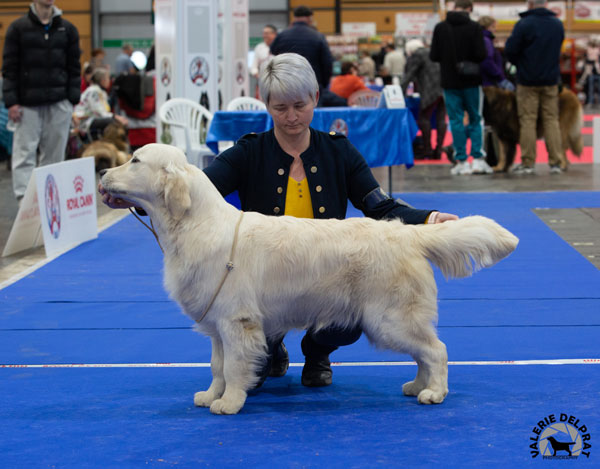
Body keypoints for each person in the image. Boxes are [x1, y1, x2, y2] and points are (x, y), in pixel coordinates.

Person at [99, 53, 459, 389]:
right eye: (280, 107)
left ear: (316, 97)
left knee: (351, 317)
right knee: (254, 375)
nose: (291, 116)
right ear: (266, 104)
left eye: (300, 105)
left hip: (323, 273)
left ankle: (317, 352)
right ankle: (273, 347)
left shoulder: (338, 150)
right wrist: (137, 199)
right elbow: (189, 193)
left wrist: (428, 218)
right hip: (264, 284)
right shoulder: (249, 151)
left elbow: (378, 206)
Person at [2, 0, 81, 201]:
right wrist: (11, 102)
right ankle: (25, 203)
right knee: (24, 155)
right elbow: (9, 68)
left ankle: (51, 202)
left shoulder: (68, 29)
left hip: (59, 103)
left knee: (54, 157)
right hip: (26, 105)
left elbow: (74, 67)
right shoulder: (18, 28)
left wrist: (72, 100)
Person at [430, 0, 490, 175]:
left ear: (454, 7)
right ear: (470, 9)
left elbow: (434, 55)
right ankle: (478, 159)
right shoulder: (475, 27)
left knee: (455, 121)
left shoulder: (440, 28)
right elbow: (481, 54)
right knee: (476, 119)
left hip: (449, 81)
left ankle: (461, 161)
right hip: (471, 81)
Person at [504, 0, 564, 174]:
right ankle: (556, 162)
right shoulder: (557, 24)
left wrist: (521, 65)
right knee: (551, 120)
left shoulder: (524, 24)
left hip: (527, 81)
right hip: (551, 80)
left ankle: (528, 163)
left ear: (530, 4)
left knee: (528, 121)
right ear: (545, 3)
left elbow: (511, 50)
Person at [269, 6, 345, 107]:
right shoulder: (318, 36)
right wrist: (323, 84)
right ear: (310, 18)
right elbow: (327, 63)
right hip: (311, 87)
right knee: (312, 116)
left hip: (286, 86)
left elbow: (273, 52)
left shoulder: (282, 35)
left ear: (294, 17)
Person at [401, 39, 447, 160]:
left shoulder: (417, 55)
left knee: (423, 118)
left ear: (409, 50)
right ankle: (439, 149)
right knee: (441, 118)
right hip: (444, 89)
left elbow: (409, 74)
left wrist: (400, 91)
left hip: (429, 90)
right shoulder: (434, 51)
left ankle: (427, 149)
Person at [74, 67, 128, 139]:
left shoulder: (100, 91)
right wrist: (116, 117)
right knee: (113, 122)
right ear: (102, 80)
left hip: (92, 118)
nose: (109, 81)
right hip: (84, 121)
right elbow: (100, 112)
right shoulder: (94, 91)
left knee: (118, 122)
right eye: (108, 78)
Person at [478, 16, 514, 91]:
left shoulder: (482, 38)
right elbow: (487, 60)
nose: (495, 29)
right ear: (488, 27)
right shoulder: (486, 40)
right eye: (493, 27)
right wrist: (499, 75)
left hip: (487, 80)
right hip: (490, 82)